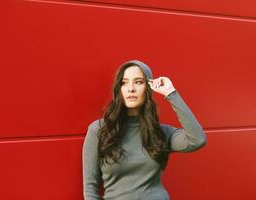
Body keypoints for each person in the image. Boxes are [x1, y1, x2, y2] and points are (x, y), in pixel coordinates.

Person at [82, 60, 207, 200]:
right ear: (118, 89)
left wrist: (171, 93)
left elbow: (197, 140)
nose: (131, 89)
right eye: (124, 82)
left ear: (148, 88)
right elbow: (90, 187)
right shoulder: (98, 130)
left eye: (138, 82)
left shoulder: (160, 132)